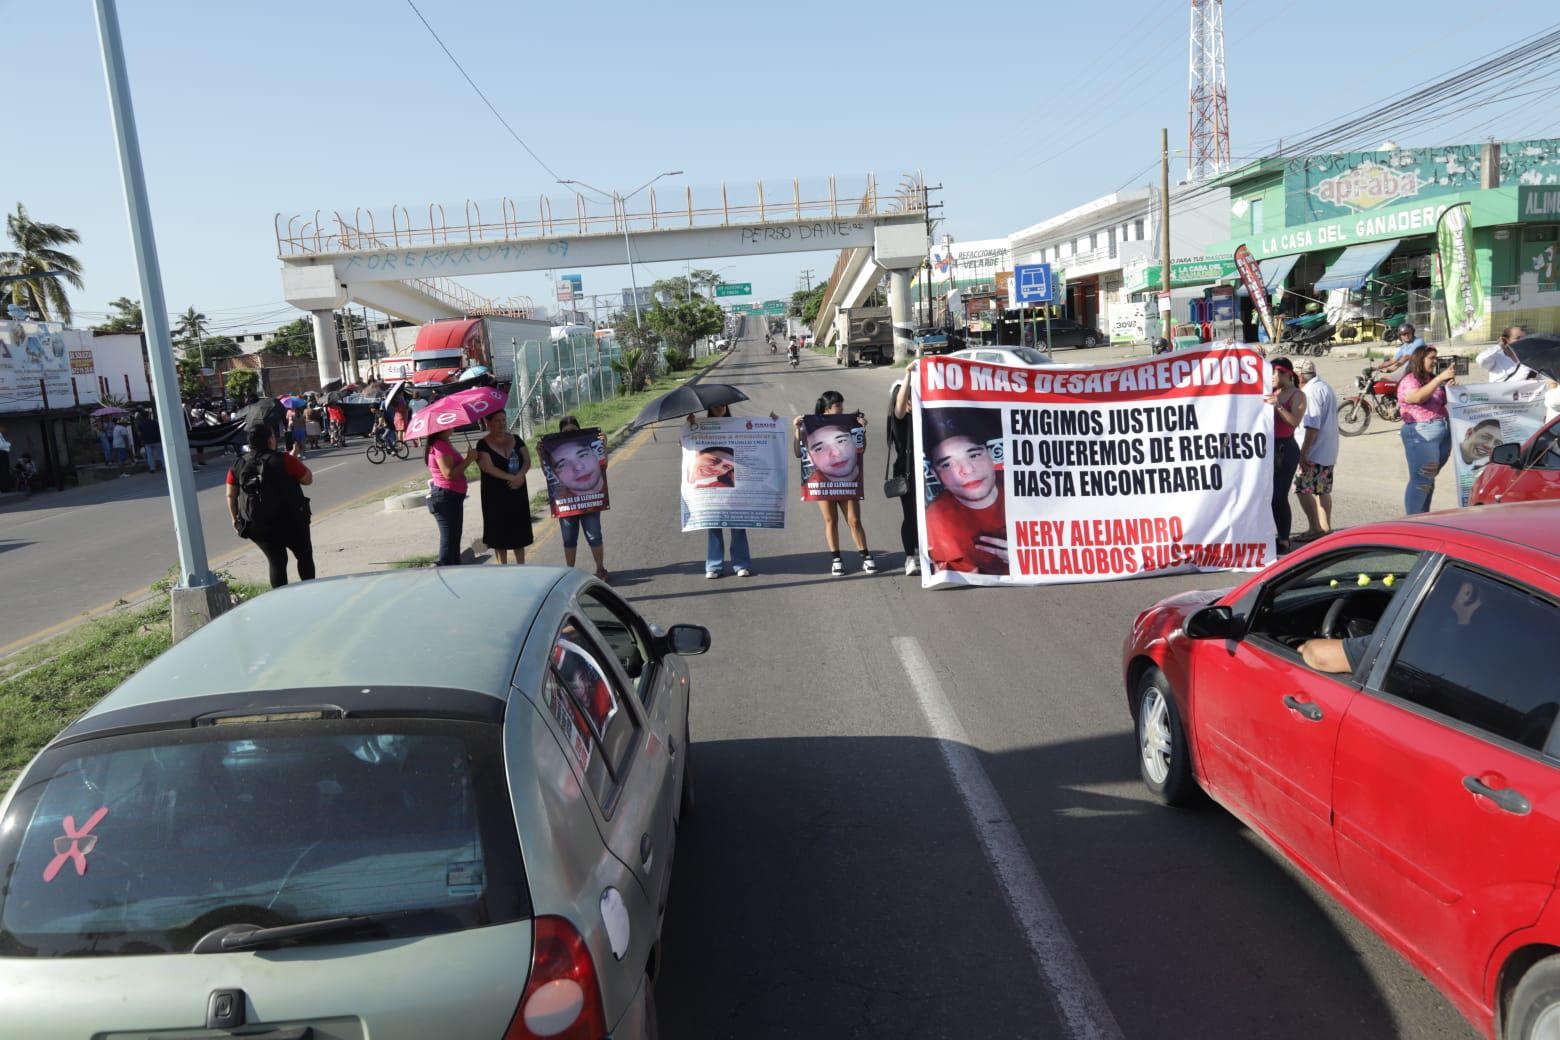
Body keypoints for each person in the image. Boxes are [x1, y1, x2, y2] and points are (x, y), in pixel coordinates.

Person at [687, 402, 775, 578]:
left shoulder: (737, 425)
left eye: (723, 405)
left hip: (735, 493)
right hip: (708, 497)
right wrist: (689, 427)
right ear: (710, 408)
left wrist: (774, 423)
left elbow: (762, 438)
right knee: (713, 525)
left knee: (738, 524)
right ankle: (713, 566)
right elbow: (686, 448)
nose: (720, 407)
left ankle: (741, 564)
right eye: (714, 461)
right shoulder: (700, 426)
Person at [793, 391, 874, 575]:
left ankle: (866, 556)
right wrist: (796, 430)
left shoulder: (848, 424)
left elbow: (860, 449)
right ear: (827, 409)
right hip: (822, 483)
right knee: (831, 520)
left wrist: (862, 430)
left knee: (854, 520)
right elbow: (799, 453)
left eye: (842, 405)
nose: (842, 409)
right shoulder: (811, 425)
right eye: (838, 406)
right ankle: (836, 559)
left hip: (848, 483)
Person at [226, 425, 314, 588]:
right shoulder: (284, 459)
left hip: (258, 525)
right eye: (273, 436)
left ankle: (279, 600)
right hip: (291, 521)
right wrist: (293, 458)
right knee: (304, 556)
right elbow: (308, 479)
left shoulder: (238, 464)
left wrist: (235, 519)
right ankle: (309, 591)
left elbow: (231, 495)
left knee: (277, 562)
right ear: (270, 440)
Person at [922, 407, 1006, 575]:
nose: (966, 470)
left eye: (974, 455)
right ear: (936, 475)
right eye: (947, 464)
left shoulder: (1023, 486)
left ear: (991, 456)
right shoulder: (935, 519)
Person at [1397, 344, 1457, 514]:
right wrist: (1439, 379)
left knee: (1428, 479)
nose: (1434, 361)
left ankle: (1422, 516)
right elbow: (1416, 397)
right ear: (1419, 359)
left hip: (1441, 432)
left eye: (1436, 358)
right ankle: (1414, 521)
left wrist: (1451, 387)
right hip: (1422, 432)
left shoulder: (1431, 379)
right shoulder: (1410, 380)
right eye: (1431, 358)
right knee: (1421, 479)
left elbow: (1442, 401)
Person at [551, 416, 608, 582]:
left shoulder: (590, 443)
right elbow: (549, 472)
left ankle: (600, 568)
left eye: (573, 432)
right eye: (565, 432)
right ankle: (569, 574)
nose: (577, 467)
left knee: (594, 535)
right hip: (566, 505)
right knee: (569, 539)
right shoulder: (552, 449)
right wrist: (542, 454)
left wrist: (602, 446)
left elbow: (603, 465)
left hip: (591, 501)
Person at [474, 412, 533, 565]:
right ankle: (503, 568)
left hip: (517, 493)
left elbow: (527, 460)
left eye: (504, 420)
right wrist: (513, 478)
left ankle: (522, 566)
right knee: (499, 535)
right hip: (495, 496)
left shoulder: (516, 439)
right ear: (488, 423)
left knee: (519, 534)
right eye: (497, 420)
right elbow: (488, 467)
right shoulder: (482, 444)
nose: (502, 423)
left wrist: (520, 474)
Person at [1293, 359, 1338, 542]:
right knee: (1322, 490)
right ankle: (1325, 528)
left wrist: (1303, 453)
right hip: (1326, 449)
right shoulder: (1323, 386)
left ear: (1300, 376)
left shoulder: (1310, 392)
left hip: (1314, 450)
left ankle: (1315, 527)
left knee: (1302, 489)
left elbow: (1312, 427)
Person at [1265, 358, 1306, 554]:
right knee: (1264, 497)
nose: (1271, 377)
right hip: (1267, 447)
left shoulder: (1297, 395)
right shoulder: (1270, 390)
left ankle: (1284, 540)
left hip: (1285, 448)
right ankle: (1266, 536)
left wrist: (1278, 406)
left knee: (1279, 496)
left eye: (1275, 373)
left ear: (1286, 374)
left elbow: (1293, 423)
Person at [424, 429, 479, 566]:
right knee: (449, 541)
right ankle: (447, 572)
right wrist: (469, 459)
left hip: (451, 497)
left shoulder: (444, 442)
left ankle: (454, 571)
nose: (452, 426)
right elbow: (449, 474)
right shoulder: (440, 445)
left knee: (454, 539)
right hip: (446, 497)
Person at [890, 367, 921, 575]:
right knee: (911, 516)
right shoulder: (899, 419)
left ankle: (924, 553)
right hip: (907, 472)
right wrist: (908, 376)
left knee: (928, 515)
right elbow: (900, 407)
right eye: (908, 395)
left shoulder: (924, 414)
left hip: (927, 470)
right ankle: (910, 557)